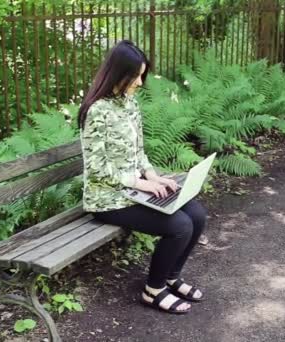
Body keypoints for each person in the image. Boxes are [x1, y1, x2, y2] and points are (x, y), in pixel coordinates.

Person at [78, 40, 207, 314]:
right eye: (135, 76)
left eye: (142, 76)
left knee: (196, 215)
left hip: (132, 190)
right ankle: (154, 290)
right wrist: (139, 183)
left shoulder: (129, 103)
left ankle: (172, 277)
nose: (139, 82)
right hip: (106, 200)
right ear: (118, 73)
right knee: (179, 225)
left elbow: (138, 151)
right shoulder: (97, 110)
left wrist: (153, 175)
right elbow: (97, 167)